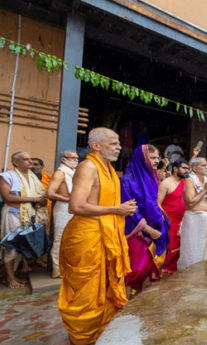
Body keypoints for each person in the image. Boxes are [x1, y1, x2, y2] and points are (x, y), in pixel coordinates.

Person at [58, 128, 137, 345]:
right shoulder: (88, 167)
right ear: (96, 146)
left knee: (104, 286)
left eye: (118, 143)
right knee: (86, 291)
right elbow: (76, 206)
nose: (119, 147)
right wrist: (116, 209)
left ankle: (101, 331)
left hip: (104, 233)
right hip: (87, 236)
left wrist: (120, 209)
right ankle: (83, 338)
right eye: (113, 143)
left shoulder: (109, 169)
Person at [120, 145, 170, 294]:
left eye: (157, 157)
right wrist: (148, 230)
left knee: (148, 271)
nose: (156, 161)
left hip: (155, 229)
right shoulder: (127, 180)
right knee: (134, 269)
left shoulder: (151, 177)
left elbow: (153, 202)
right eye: (153, 158)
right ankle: (124, 305)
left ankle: (138, 304)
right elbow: (131, 210)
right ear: (142, 158)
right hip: (137, 233)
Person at [0, 152, 48, 288]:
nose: (30, 162)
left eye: (30, 159)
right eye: (25, 159)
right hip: (13, 214)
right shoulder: (7, 176)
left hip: (30, 215)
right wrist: (33, 199)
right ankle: (10, 279)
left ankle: (10, 276)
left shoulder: (34, 177)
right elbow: (7, 197)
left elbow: (41, 195)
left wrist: (40, 202)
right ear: (15, 162)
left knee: (22, 247)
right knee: (12, 247)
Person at [177, 157, 207, 270]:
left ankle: (201, 277)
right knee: (192, 251)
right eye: (203, 165)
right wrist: (205, 189)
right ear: (194, 168)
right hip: (193, 219)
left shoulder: (206, 180)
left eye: (206, 165)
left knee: (204, 250)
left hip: (204, 219)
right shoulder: (190, 180)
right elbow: (190, 203)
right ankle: (189, 278)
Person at [46, 150, 79, 278]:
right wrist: (70, 199)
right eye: (72, 158)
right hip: (63, 208)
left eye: (77, 158)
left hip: (75, 208)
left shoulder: (74, 172)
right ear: (63, 159)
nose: (75, 160)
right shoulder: (60, 173)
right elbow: (50, 193)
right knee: (60, 239)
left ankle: (68, 268)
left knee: (73, 239)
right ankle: (56, 271)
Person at [157, 159, 189, 274]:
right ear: (175, 169)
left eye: (188, 168)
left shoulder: (187, 182)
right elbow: (158, 205)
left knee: (182, 252)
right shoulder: (166, 183)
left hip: (184, 223)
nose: (187, 171)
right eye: (184, 168)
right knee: (170, 252)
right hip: (169, 224)